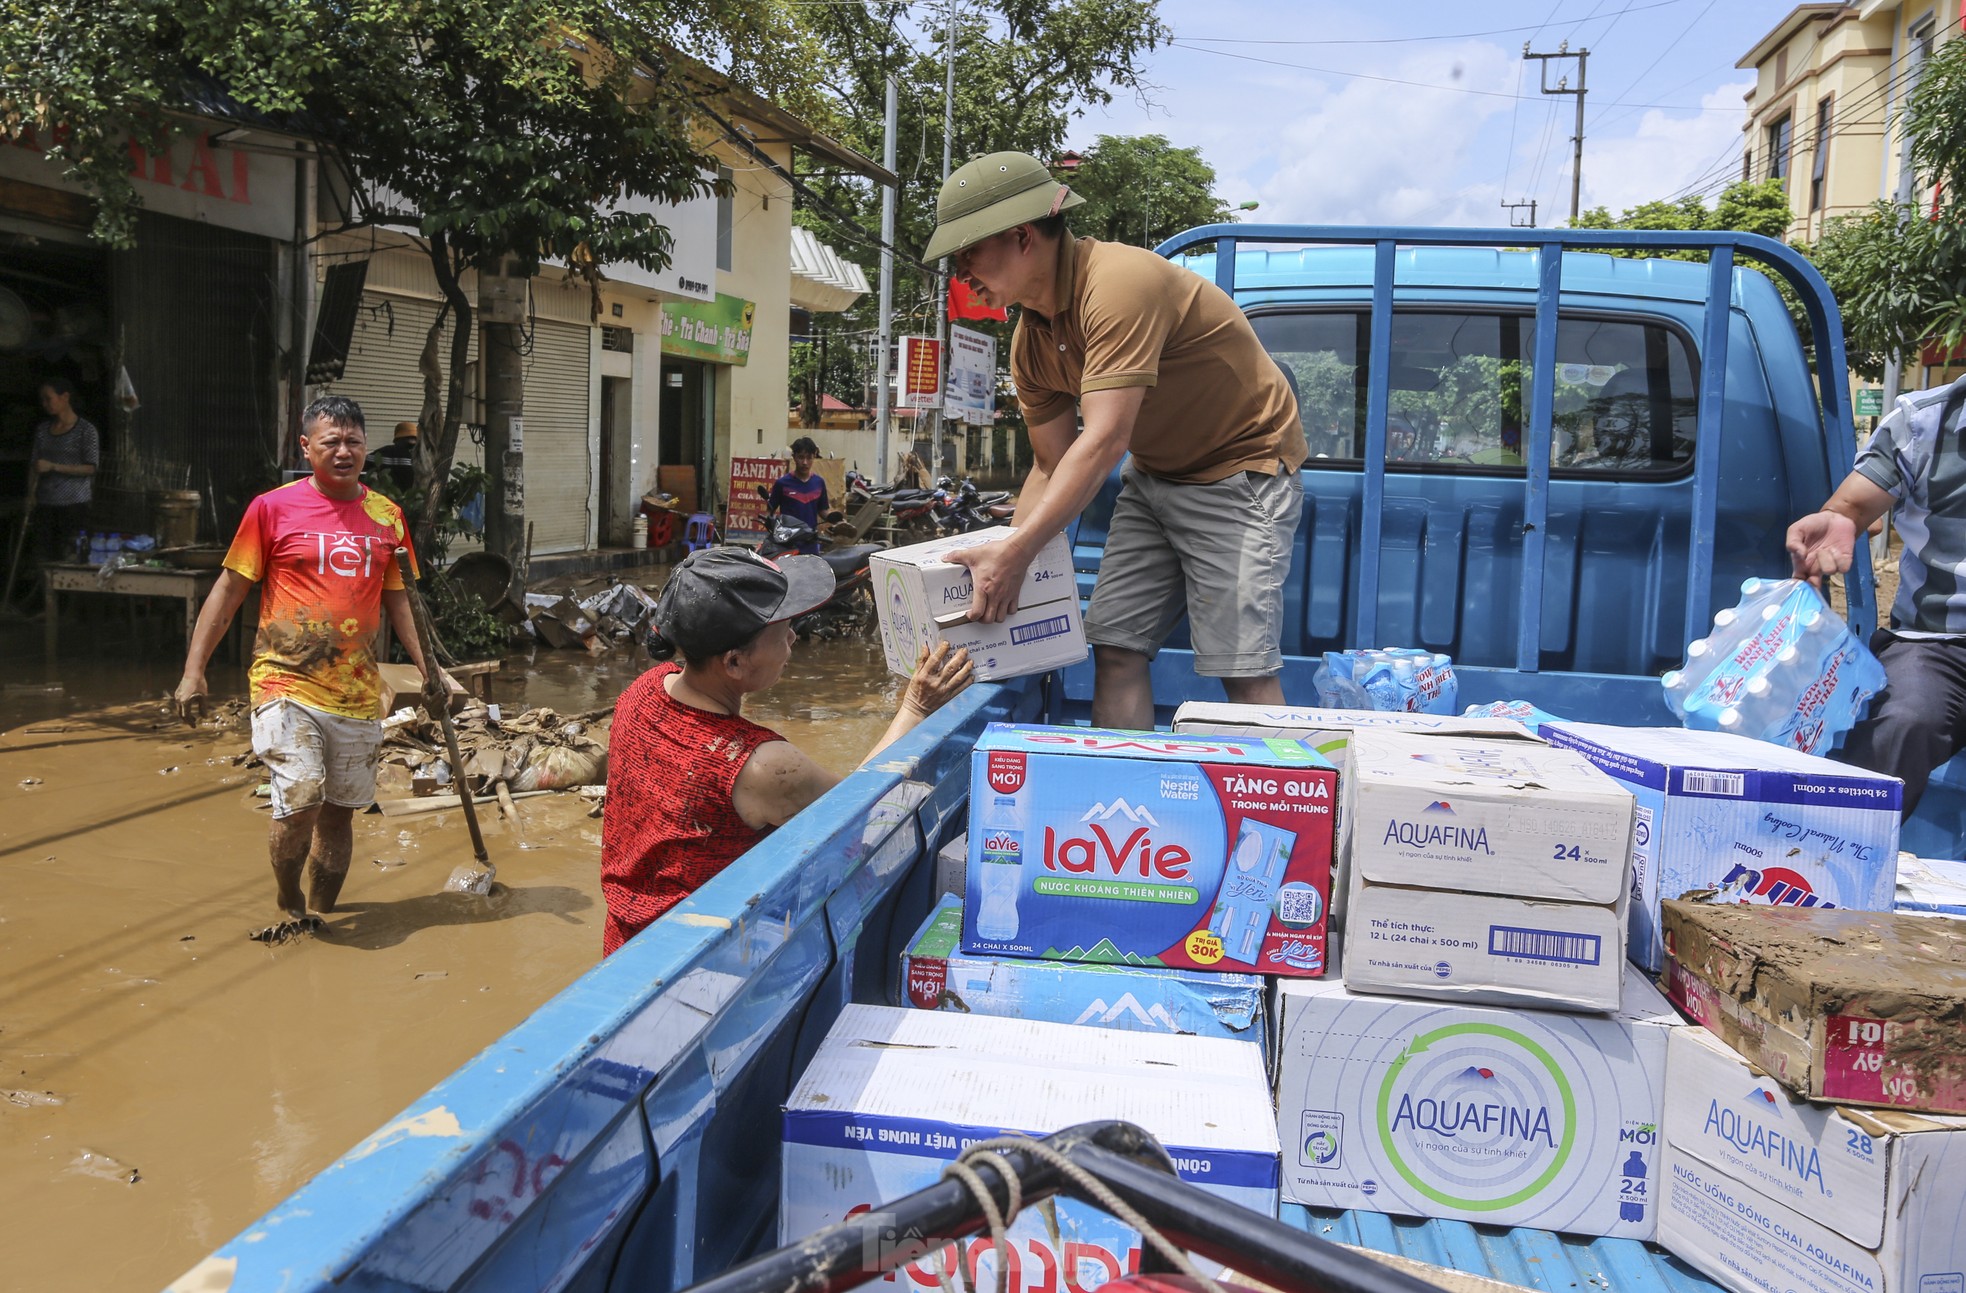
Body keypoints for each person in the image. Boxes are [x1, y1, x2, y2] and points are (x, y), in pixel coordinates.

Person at [922, 151, 1307, 731]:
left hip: (1240, 472)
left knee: (1241, 667)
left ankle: (1287, 813)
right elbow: (1051, 461)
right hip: (1155, 477)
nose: (962, 271)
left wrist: (1019, 552)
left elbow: (1103, 440)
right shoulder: (1031, 340)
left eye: (968, 251)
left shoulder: (1119, 284)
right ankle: (1126, 805)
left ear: (1023, 236)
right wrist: (1006, 553)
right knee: (1116, 645)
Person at [601, 547, 973, 955]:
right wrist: (915, 707)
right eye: (781, 633)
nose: (793, 638)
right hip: (698, 962)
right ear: (734, 663)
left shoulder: (645, 689)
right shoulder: (761, 767)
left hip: (627, 941)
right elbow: (858, 811)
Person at [173, 395, 443, 918]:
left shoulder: (387, 516)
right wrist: (193, 671)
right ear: (306, 447)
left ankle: (321, 917)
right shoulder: (271, 508)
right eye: (331, 442)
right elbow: (228, 592)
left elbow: (401, 600)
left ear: (366, 447)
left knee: (339, 816)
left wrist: (431, 670)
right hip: (284, 681)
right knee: (301, 799)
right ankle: (289, 899)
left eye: (353, 442)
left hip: (357, 689)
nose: (343, 452)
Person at [1787, 374, 1966, 818]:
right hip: (1939, 644)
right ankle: (1831, 856)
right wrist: (1838, 520)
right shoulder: (1922, 420)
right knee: (1903, 720)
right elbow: (1852, 506)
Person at [29, 376, 99, 567]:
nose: (44, 404)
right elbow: (34, 465)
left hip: (74, 506)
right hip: (46, 504)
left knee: (72, 560)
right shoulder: (43, 431)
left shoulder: (86, 430)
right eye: (42, 400)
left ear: (65, 397)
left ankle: (72, 597)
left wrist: (54, 466)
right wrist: (30, 496)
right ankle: (49, 597)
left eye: (48, 398)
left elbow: (91, 467)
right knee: (44, 559)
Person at [766, 435, 829, 555]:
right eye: (801, 457)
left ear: (814, 457)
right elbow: (770, 511)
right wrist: (770, 525)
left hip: (810, 543)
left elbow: (823, 511)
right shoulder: (782, 483)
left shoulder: (819, 483)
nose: (805, 462)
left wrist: (838, 522)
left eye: (809, 458)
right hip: (787, 544)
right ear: (794, 457)